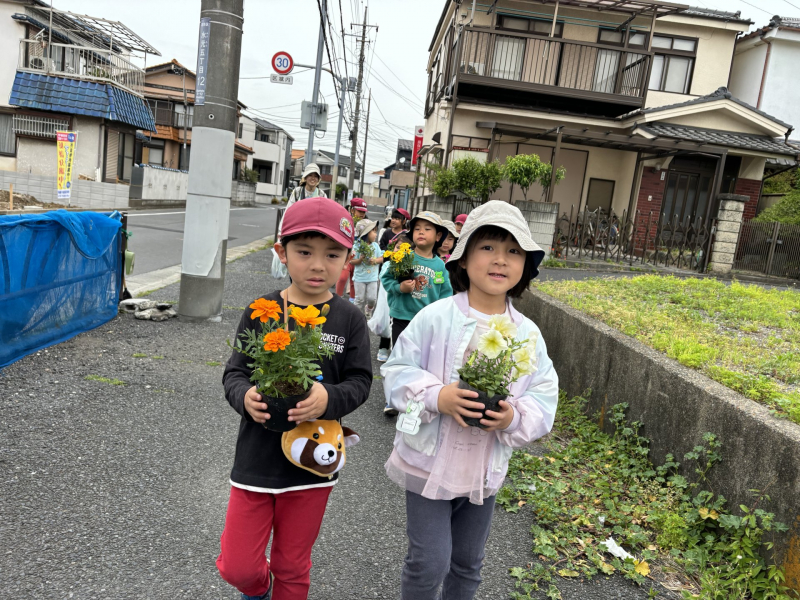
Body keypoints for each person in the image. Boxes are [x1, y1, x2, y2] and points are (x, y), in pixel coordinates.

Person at [381, 200, 558, 600]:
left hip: (483, 469)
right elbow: (397, 370)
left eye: (514, 251)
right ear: (462, 259)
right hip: (428, 463)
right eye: (488, 247)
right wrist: (436, 396)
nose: (500, 260)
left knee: (468, 563)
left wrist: (513, 416)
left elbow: (544, 395)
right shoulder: (436, 316)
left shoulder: (527, 334)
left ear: (526, 266)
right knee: (429, 561)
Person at [217, 197, 372, 600]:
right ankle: (258, 588)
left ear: (347, 259)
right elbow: (235, 372)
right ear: (281, 252)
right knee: (238, 567)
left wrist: (329, 398)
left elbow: (360, 381)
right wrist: (245, 395)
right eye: (304, 252)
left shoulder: (350, 319)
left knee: (292, 564)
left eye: (332, 254)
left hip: (312, 465)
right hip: (255, 458)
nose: (318, 265)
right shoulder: (260, 310)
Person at [380, 209, 453, 350]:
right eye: (417, 229)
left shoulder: (440, 266)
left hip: (427, 322)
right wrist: (400, 288)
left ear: (438, 236)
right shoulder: (403, 256)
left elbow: (445, 294)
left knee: (421, 359)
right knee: (400, 357)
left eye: (427, 229)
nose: (421, 232)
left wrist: (441, 317)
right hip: (402, 317)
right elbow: (387, 278)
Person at [351, 218, 382, 318]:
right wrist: (359, 260)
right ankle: (356, 317)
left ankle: (368, 309)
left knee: (372, 299)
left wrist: (375, 260)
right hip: (360, 278)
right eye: (374, 231)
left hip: (372, 278)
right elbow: (351, 261)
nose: (376, 234)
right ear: (366, 233)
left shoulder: (376, 246)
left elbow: (382, 257)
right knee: (359, 299)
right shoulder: (357, 246)